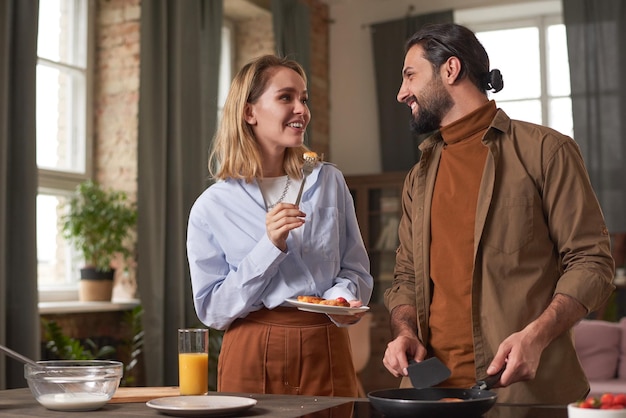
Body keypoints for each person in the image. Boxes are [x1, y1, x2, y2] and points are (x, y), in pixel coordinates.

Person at [382, 22, 615, 405]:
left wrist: (535, 336)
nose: (401, 92)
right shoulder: (417, 177)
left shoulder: (547, 151)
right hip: (431, 396)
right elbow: (406, 276)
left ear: (450, 69)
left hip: (523, 395)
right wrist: (404, 330)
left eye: (410, 75)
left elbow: (592, 262)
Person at [186, 55, 373, 397]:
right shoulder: (211, 207)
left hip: (326, 345)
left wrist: (342, 298)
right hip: (252, 349)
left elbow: (355, 268)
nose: (301, 109)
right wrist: (269, 246)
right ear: (249, 112)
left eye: (304, 98)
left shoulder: (329, 180)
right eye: (286, 97)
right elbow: (212, 310)